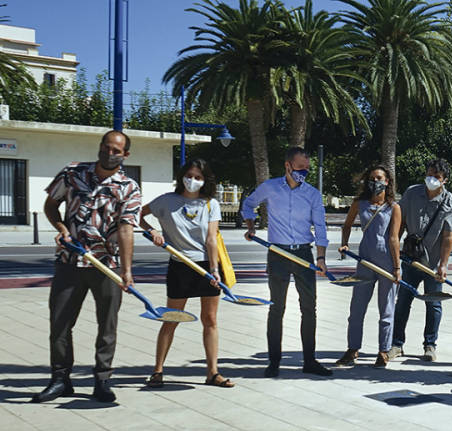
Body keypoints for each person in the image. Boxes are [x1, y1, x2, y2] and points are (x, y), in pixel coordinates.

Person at [33, 130, 141, 403]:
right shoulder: (72, 173)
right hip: (69, 262)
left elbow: (127, 230)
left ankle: (102, 381)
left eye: (117, 150)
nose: (110, 153)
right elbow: (50, 205)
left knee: (107, 326)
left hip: (107, 265)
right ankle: (60, 379)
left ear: (125, 154)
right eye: (107, 147)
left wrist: (126, 272)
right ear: (100, 147)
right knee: (59, 323)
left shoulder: (129, 188)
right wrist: (60, 228)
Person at [140, 158, 233, 389]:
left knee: (210, 320)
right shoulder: (166, 201)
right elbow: (136, 215)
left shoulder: (210, 204)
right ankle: (158, 371)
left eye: (198, 177)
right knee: (171, 318)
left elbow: (211, 239)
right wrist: (151, 230)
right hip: (179, 265)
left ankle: (213, 372)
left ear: (205, 180)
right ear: (182, 176)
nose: (193, 181)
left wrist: (214, 270)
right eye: (190, 175)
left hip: (205, 267)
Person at [242, 147, 331, 378]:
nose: (305, 172)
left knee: (309, 309)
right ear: (288, 166)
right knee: (276, 308)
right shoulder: (270, 188)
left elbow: (320, 226)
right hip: (278, 254)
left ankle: (309, 361)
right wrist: (251, 226)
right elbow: (248, 204)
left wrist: (321, 257)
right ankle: (274, 362)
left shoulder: (312, 194)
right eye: (301, 168)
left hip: (303, 254)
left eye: (307, 169)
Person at [387, 159, 452, 363]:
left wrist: (443, 265)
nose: (431, 179)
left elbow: (448, 237)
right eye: (429, 174)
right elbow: (399, 222)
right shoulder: (412, 193)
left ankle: (430, 345)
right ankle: (396, 344)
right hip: (411, 260)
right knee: (402, 302)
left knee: (434, 304)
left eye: (436, 177)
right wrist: (394, 249)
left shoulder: (451, 204)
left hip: (432, 265)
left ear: (444, 180)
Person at [335, 165, 401, 368]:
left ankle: (383, 351)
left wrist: (397, 268)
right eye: (372, 178)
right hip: (364, 260)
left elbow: (394, 238)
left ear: (387, 181)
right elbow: (346, 225)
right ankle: (352, 349)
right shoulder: (360, 204)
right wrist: (344, 243)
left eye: (379, 178)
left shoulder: (394, 207)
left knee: (386, 309)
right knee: (357, 308)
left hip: (387, 262)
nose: (375, 182)